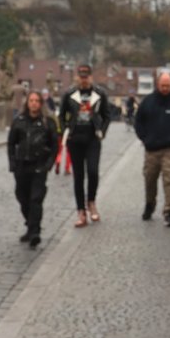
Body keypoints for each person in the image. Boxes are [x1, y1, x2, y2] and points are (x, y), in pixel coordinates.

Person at [133, 70, 170, 228]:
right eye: (162, 85)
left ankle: (169, 211)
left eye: (168, 86)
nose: (165, 88)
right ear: (157, 85)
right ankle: (149, 204)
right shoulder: (148, 102)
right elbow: (138, 122)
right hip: (151, 149)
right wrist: (145, 138)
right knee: (149, 179)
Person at [59, 64, 113, 227]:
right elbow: (61, 115)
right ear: (77, 77)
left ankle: (91, 202)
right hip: (75, 139)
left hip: (92, 138)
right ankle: (81, 211)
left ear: (90, 77)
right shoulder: (69, 94)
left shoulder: (99, 93)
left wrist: (101, 132)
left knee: (93, 171)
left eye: (86, 76)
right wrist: (66, 132)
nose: (83, 79)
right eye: (81, 76)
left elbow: (107, 115)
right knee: (79, 176)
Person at [7, 90, 60, 247]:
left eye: (37, 100)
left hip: (39, 166)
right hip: (22, 165)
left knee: (36, 199)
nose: (34, 103)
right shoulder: (19, 121)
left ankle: (35, 232)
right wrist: (12, 163)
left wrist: (48, 165)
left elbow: (54, 146)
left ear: (41, 103)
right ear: (27, 103)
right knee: (22, 197)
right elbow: (11, 143)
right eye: (31, 100)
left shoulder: (47, 122)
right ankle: (30, 226)